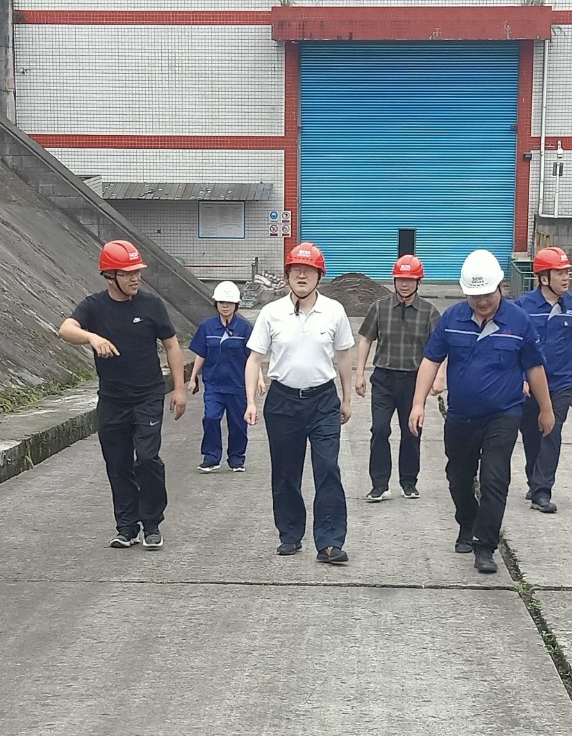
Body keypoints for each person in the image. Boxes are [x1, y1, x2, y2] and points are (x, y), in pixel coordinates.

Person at [410, 250, 554, 575]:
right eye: (475, 296)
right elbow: (431, 360)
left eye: (487, 294)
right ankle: (467, 522)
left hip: (503, 414)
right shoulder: (452, 319)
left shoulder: (519, 321)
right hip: (460, 416)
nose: (482, 301)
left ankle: (485, 545)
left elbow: (534, 368)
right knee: (458, 478)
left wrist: (545, 410)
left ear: (500, 287)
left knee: (494, 478)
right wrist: (418, 403)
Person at [58, 239, 186, 549]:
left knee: (147, 459)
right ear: (110, 276)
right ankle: (127, 527)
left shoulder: (152, 306)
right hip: (112, 400)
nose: (135, 278)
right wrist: (91, 337)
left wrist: (179, 389)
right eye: (127, 273)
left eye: (137, 272)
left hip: (148, 396)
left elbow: (171, 345)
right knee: (118, 464)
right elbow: (65, 330)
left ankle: (152, 524)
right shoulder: (93, 306)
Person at [244, 241, 356, 564]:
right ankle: (290, 535)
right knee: (285, 472)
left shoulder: (334, 311)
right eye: (296, 270)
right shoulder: (271, 313)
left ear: (319, 276)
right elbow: (254, 359)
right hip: (283, 401)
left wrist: (347, 399)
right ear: (288, 275)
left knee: (328, 468)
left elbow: (343, 357)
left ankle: (330, 542)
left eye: (309, 270)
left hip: (323, 401)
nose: (302, 276)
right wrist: (250, 401)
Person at [355, 254, 441, 501]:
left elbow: (440, 348)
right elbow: (365, 339)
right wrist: (360, 373)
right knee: (379, 429)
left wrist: (438, 377)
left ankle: (409, 482)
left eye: (410, 279)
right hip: (384, 379)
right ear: (394, 280)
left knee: (412, 431)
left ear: (418, 282)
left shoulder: (429, 312)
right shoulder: (379, 307)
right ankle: (379, 485)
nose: (404, 284)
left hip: (415, 381)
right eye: (400, 279)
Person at [516, 246, 572, 512]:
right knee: (531, 435)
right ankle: (534, 479)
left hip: (561, 383)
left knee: (552, 432)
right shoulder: (523, 306)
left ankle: (542, 491)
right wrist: (520, 379)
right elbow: (514, 346)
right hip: (529, 385)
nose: (566, 277)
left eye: (567, 272)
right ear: (543, 277)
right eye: (559, 272)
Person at [187, 281, 252, 473]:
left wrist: (258, 380)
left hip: (237, 386)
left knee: (238, 424)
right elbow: (201, 354)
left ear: (236, 305)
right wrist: (192, 378)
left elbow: (253, 357)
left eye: (229, 303)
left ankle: (237, 459)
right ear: (216, 304)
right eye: (222, 302)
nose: (225, 306)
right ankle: (211, 457)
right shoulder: (207, 327)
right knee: (211, 418)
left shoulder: (244, 328)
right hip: (214, 385)